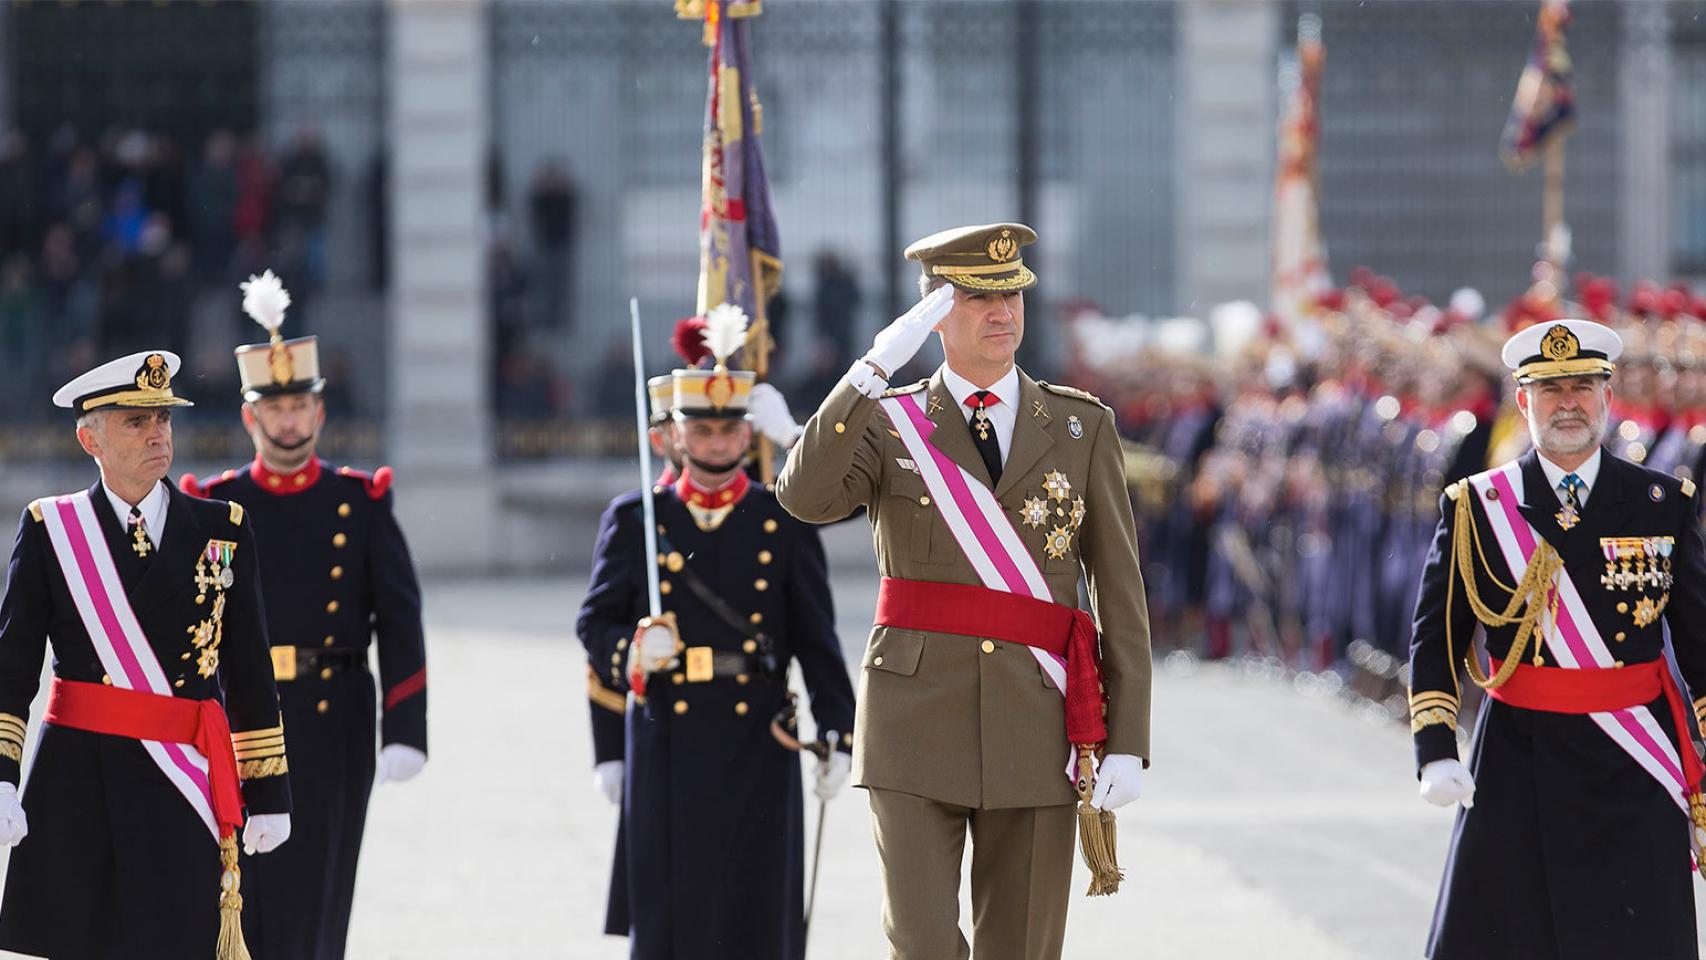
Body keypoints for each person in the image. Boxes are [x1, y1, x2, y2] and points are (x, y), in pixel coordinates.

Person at [775, 223, 1151, 960]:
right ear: (935, 311)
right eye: (978, 296)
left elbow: (1120, 593)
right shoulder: (890, 423)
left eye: (1012, 292)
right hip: (914, 721)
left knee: (1021, 947)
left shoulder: (1080, 428)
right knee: (919, 944)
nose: (1002, 311)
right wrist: (868, 373)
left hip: (1038, 722)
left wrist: (1128, 738)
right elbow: (803, 497)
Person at [1407, 318, 1706, 959]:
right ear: (1523, 401)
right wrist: (1435, 748)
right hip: (1518, 757)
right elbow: (1436, 637)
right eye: (1549, 389)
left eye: (1581, 386)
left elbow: (1701, 646)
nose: (1566, 402)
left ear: (1607, 395)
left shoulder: (1661, 501)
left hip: (1636, 758)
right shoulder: (1478, 506)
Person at [576, 304, 855, 960]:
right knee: (673, 919)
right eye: (700, 430)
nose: (717, 443)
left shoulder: (781, 519)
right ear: (669, 437)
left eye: (730, 430)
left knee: (757, 916)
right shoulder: (637, 519)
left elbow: (818, 639)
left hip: (760, 735)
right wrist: (633, 649)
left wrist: (838, 731)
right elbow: (595, 623)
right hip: (667, 733)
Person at [0, 350, 292, 959]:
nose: (157, 433)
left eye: (163, 418)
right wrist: (1, 777)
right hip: (79, 779)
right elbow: (12, 666)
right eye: (135, 421)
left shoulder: (222, 529)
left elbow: (249, 666)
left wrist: (269, 791)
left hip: (181, 779)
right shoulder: (52, 529)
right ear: (90, 439)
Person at [181, 271, 427, 959]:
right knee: (239, 893)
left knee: (321, 889)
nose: (287, 420)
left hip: (331, 716)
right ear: (249, 417)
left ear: (319, 414)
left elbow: (400, 619)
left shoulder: (361, 501)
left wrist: (405, 724)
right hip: (235, 720)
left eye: (299, 407)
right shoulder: (215, 507)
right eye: (273, 408)